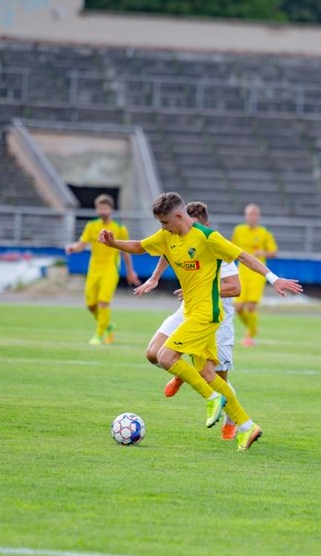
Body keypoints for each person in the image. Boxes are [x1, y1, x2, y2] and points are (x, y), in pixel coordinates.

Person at [98, 192, 303, 451]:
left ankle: (211, 398)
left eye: (165, 222)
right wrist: (114, 243)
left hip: (206, 313)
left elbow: (243, 256)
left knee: (166, 356)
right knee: (207, 374)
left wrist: (274, 279)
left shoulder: (208, 238)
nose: (163, 227)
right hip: (190, 311)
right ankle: (246, 426)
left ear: (179, 216)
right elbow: (139, 246)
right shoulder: (167, 236)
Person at [135, 201, 242, 441]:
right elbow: (168, 251)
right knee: (154, 353)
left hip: (217, 319)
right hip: (189, 310)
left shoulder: (215, 246)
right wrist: (154, 278)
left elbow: (236, 287)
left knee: (217, 379)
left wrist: (203, 288)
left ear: (206, 225)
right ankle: (181, 372)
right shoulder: (178, 237)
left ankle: (232, 421)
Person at [66, 194, 140, 345]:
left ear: (111, 209)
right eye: (100, 208)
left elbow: (126, 251)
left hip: (110, 270)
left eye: (105, 208)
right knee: (90, 305)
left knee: (103, 303)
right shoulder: (91, 225)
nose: (102, 211)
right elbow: (82, 244)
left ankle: (99, 335)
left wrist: (130, 271)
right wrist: (73, 248)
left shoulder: (120, 228)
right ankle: (107, 326)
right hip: (94, 270)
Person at [231, 204, 278, 347]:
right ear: (246, 216)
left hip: (257, 274)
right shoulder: (239, 230)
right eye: (250, 214)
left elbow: (274, 252)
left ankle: (249, 336)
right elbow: (230, 248)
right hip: (242, 272)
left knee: (251, 306)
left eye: (255, 214)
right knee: (238, 307)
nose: (252, 217)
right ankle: (253, 328)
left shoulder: (264, 233)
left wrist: (262, 253)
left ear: (258, 217)